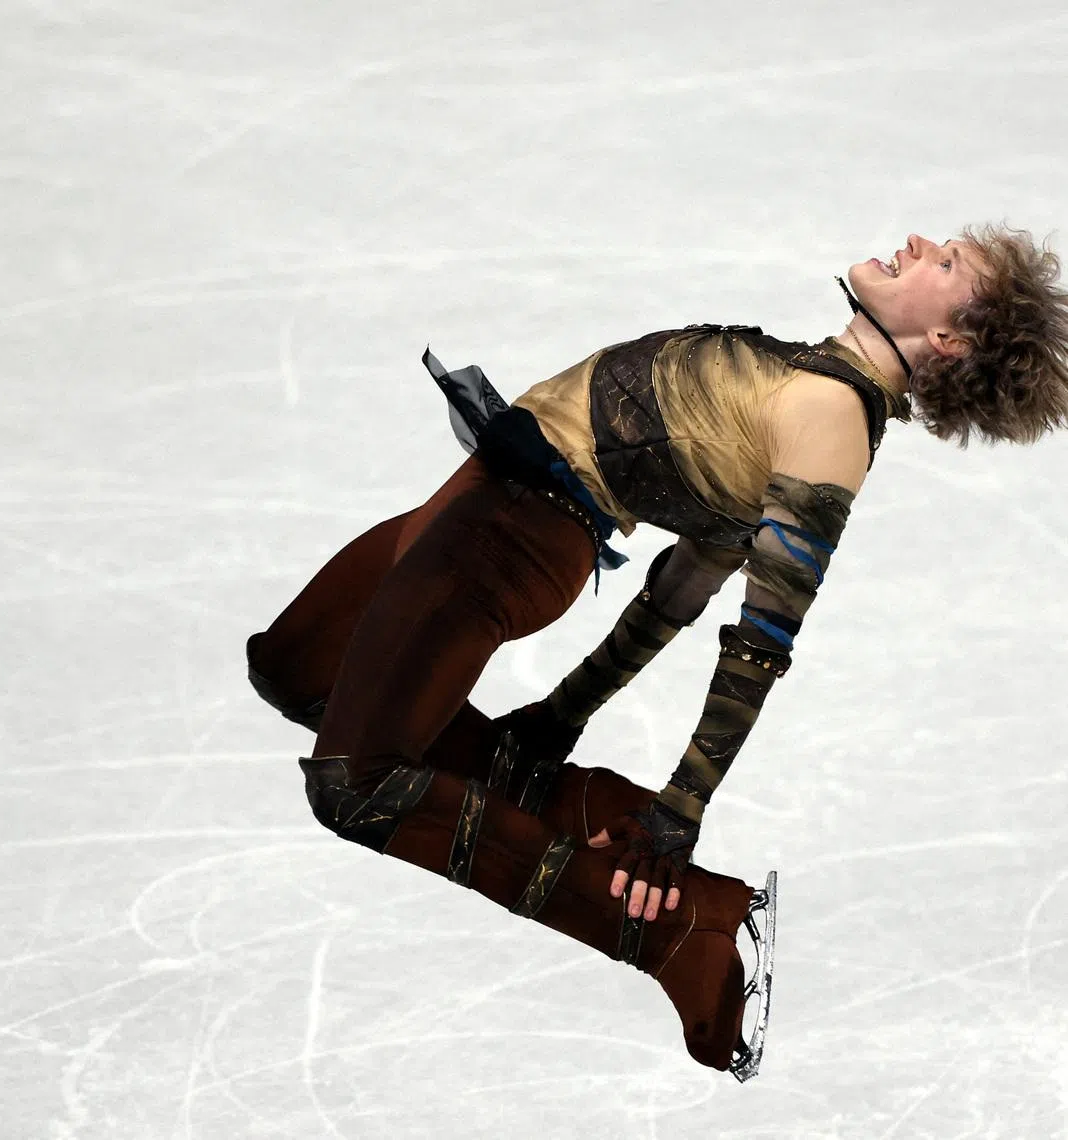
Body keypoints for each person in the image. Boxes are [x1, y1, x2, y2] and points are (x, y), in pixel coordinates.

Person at [245, 226, 1068, 1080]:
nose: (918, 241)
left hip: (510, 538)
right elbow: (679, 588)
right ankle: (566, 803)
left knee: (357, 786)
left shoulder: (830, 422)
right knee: (300, 663)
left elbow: (761, 641)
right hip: (491, 491)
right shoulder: (810, 378)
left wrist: (680, 809)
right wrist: (562, 714)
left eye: (945, 264)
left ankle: (674, 928)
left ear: (949, 341)